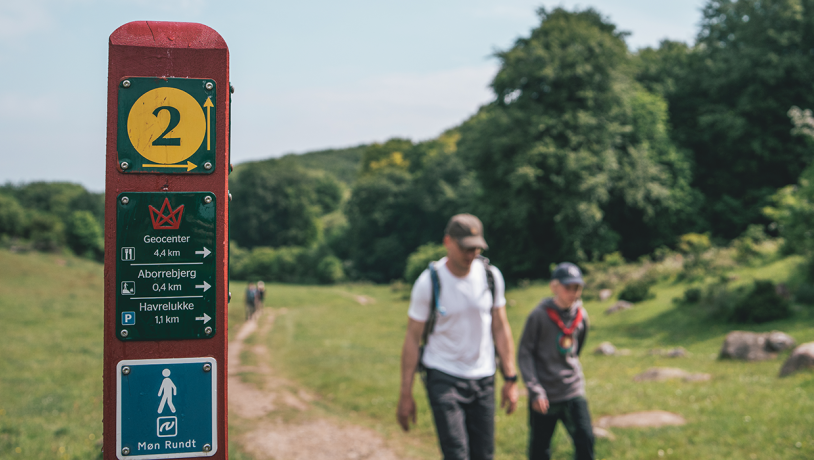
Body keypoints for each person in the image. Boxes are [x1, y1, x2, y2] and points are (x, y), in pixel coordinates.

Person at [397, 214, 519, 460]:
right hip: (443, 375)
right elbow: (412, 338)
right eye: (465, 247)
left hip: (483, 377)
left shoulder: (491, 277)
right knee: (457, 454)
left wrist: (510, 377)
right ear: (448, 242)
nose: (471, 253)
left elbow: (500, 327)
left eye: (476, 247)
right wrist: (405, 393)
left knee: (484, 455)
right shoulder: (429, 282)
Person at [518, 262, 594, 460]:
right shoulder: (539, 316)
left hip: (572, 389)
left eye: (577, 288)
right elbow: (525, 353)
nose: (573, 292)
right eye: (568, 287)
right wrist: (535, 390)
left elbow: (577, 348)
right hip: (544, 394)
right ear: (554, 286)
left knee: (586, 440)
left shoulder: (581, 316)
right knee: (540, 449)